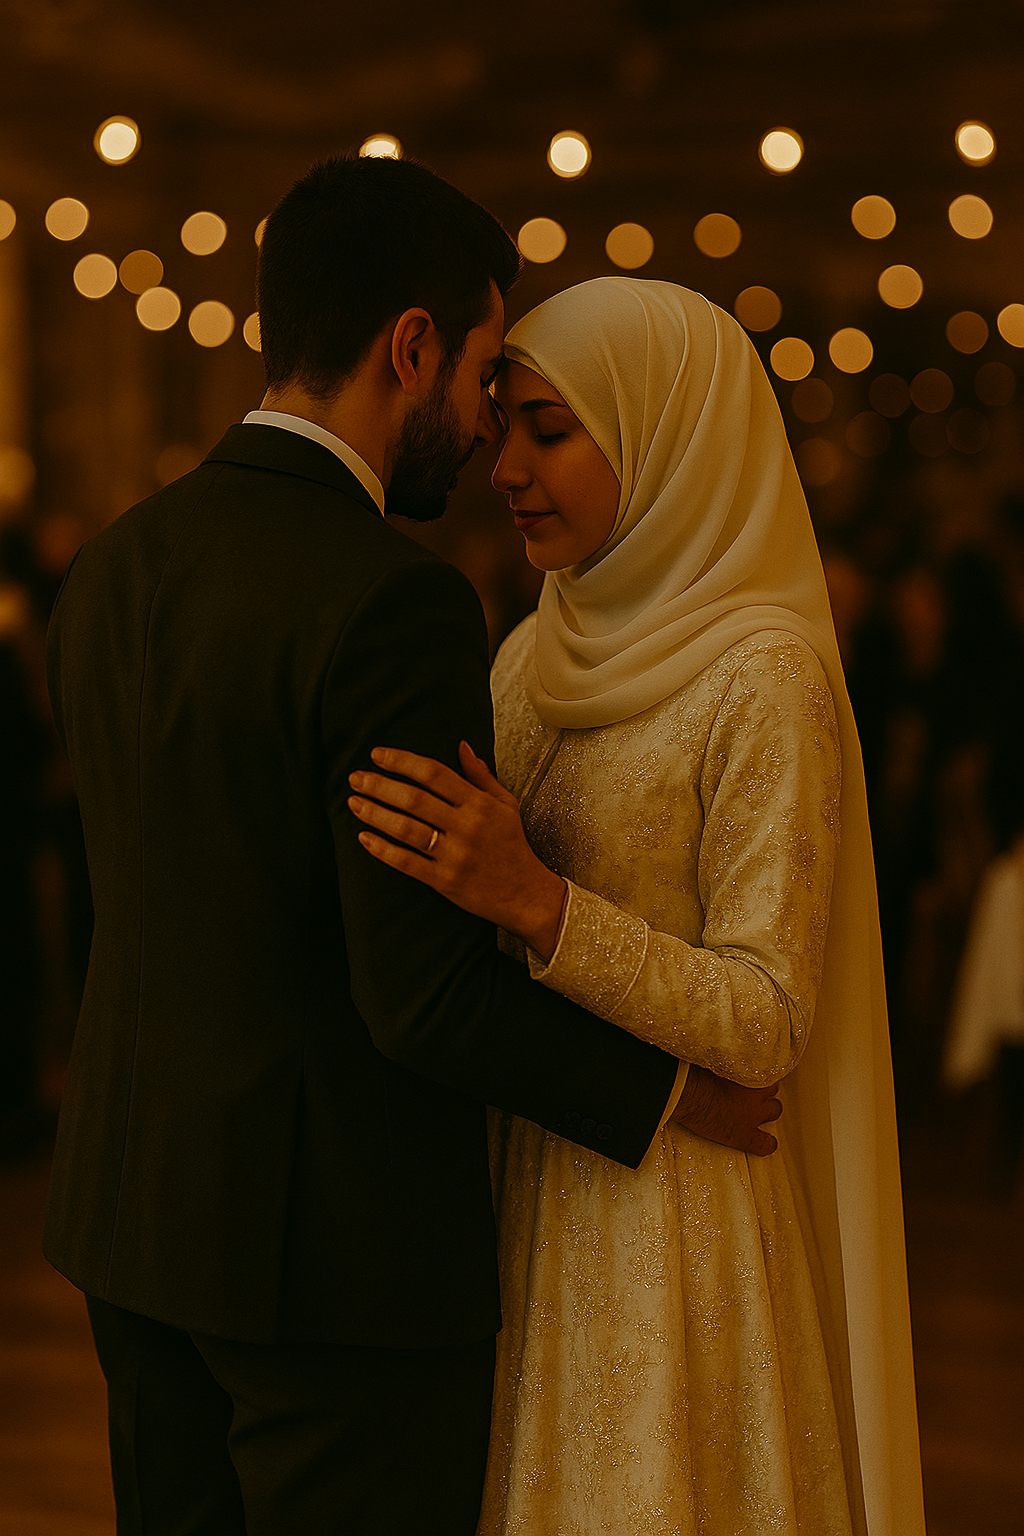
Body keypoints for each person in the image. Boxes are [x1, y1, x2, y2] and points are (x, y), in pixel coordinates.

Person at [43, 162, 779, 1536]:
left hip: (131, 1222)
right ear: (413, 346)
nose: (489, 428)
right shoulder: (391, 602)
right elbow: (421, 998)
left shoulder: (117, 562)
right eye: (489, 372)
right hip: (329, 1269)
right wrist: (671, 1097)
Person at [349, 277, 927, 1535]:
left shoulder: (764, 675)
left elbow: (768, 1016)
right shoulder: (525, 652)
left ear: (668, 437)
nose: (506, 466)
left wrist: (545, 907)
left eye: (549, 430)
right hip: (518, 1191)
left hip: (676, 1229)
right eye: (502, 425)